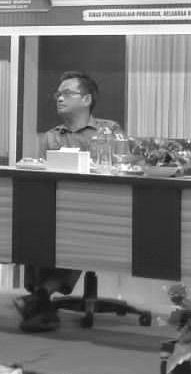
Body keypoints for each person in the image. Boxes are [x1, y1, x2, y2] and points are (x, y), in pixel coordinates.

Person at [14, 71, 122, 333]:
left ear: (86, 99)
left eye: (66, 93)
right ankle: (41, 295)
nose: (59, 98)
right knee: (36, 224)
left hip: (102, 211)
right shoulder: (52, 137)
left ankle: (40, 297)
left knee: (76, 229)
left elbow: (123, 168)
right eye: (58, 94)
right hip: (59, 209)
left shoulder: (109, 130)